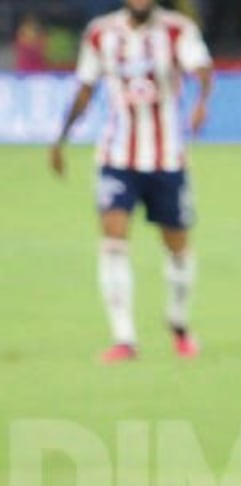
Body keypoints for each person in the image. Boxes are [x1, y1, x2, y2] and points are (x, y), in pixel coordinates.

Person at [50, 0, 212, 362]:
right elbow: (85, 88)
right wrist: (61, 138)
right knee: (112, 240)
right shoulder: (101, 33)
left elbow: (201, 67)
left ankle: (178, 324)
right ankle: (124, 338)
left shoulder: (177, 29)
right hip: (116, 157)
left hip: (168, 158)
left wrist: (202, 100)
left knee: (177, 246)